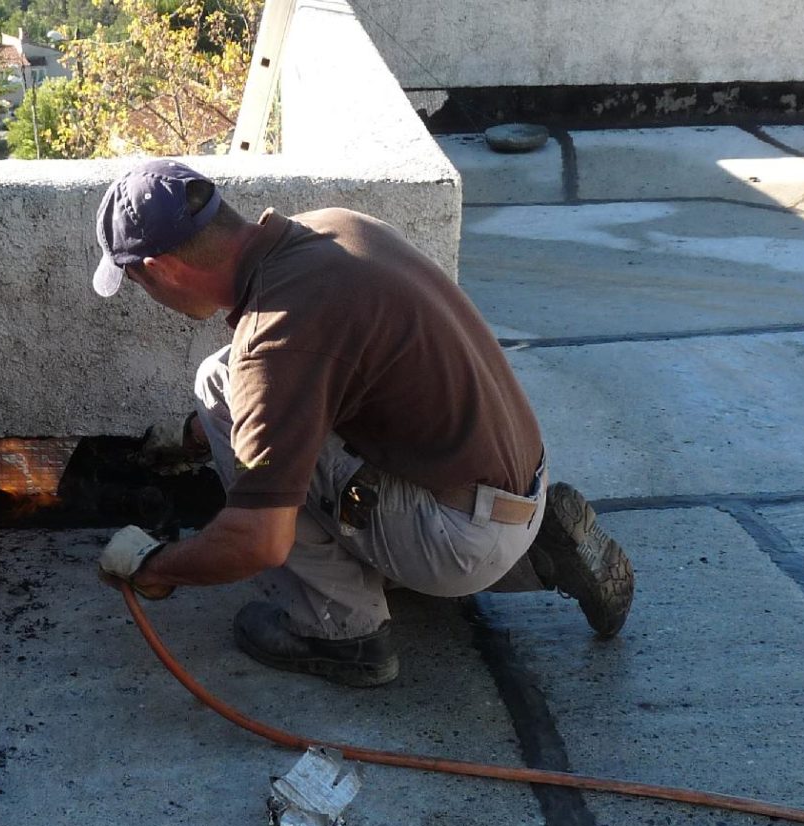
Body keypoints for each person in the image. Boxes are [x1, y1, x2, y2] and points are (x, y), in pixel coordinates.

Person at [94, 158, 634, 687]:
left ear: (159, 268)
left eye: (138, 282)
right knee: (224, 376)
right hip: (516, 485)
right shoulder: (331, 228)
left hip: (461, 538)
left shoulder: (275, 338)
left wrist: (154, 566)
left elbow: (260, 542)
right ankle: (542, 554)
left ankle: (341, 632)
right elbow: (295, 379)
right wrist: (191, 440)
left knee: (234, 409)